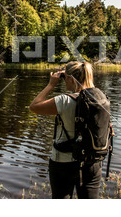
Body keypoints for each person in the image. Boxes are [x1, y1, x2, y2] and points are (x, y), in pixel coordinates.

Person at [29, 61, 103, 199]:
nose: (64, 82)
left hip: (63, 163)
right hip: (92, 162)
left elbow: (34, 107)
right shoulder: (99, 99)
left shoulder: (64, 101)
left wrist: (51, 84)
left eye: (65, 77)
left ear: (69, 78)